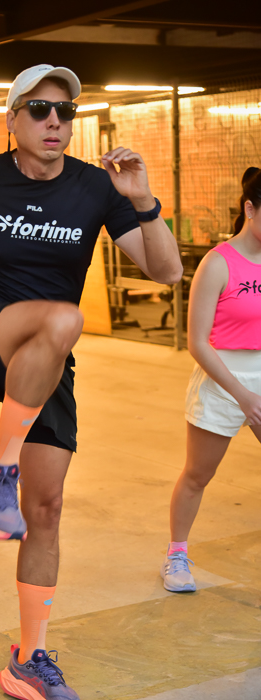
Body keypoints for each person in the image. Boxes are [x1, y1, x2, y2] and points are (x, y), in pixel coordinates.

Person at [0, 64, 182, 700]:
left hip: (48, 359)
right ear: (12, 119)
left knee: (45, 508)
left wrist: (141, 199)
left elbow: (166, 273)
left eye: (65, 111)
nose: (54, 121)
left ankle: (29, 658)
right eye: (39, 109)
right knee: (64, 318)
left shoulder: (95, 186)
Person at [161, 167, 261, 594]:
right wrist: (243, 396)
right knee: (198, 475)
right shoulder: (218, 263)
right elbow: (197, 342)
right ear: (250, 209)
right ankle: (176, 555)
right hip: (222, 379)